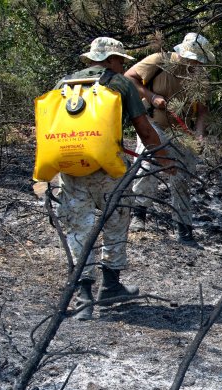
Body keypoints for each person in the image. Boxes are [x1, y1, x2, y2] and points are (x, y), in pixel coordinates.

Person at [56, 37, 171, 320]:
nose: (122, 65)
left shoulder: (64, 84)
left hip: (71, 166)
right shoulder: (120, 85)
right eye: (120, 60)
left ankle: (83, 297)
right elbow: (144, 129)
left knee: (77, 227)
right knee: (116, 221)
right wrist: (167, 162)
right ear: (108, 60)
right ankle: (110, 286)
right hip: (109, 168)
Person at [125, 32, 213, 245]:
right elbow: (128, 78)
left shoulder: (201, 77)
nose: (193, 63)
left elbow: (201, 111)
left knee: (182, 177)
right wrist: (151, 96)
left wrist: (199, 134)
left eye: (197, 60)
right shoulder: (159, 60)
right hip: (153, 122)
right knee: (148, 165)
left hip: (183, 131)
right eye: (190, 58)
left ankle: (184, 228)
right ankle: (139, 213)